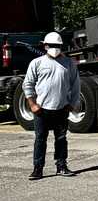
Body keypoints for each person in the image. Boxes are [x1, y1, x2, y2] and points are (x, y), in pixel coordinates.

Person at [23, 32, 80, 180]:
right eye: (52, 45)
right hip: (41, 109)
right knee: (40, 139)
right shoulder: (37, 63)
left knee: (61, 138)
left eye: (58, 45)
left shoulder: (69, 63)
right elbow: (28, 84)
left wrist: (72, 104)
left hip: (61, 108)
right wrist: (32, 104)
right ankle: (38, 168)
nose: (55, 48)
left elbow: (76, 85)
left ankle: (61, 166)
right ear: (45, 46)